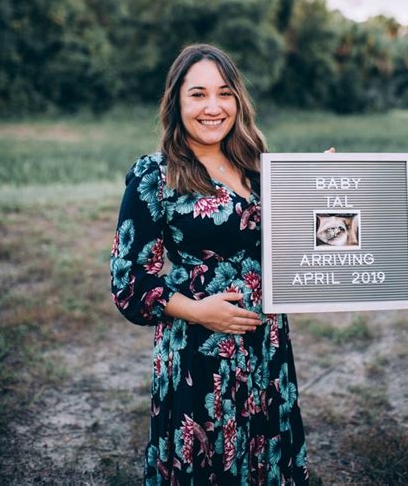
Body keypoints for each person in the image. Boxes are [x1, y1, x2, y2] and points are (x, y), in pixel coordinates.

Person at [110, 43, 311, 485]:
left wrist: (322, 188)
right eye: (197, 94)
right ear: (177, 102)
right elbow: (128, 283)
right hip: (198, 356)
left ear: (238, 100)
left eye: (223, 93)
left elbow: (292, 241)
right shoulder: (154, 176)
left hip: (265, 346)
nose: (213, 107)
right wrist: (200, 311)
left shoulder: (258, 167)